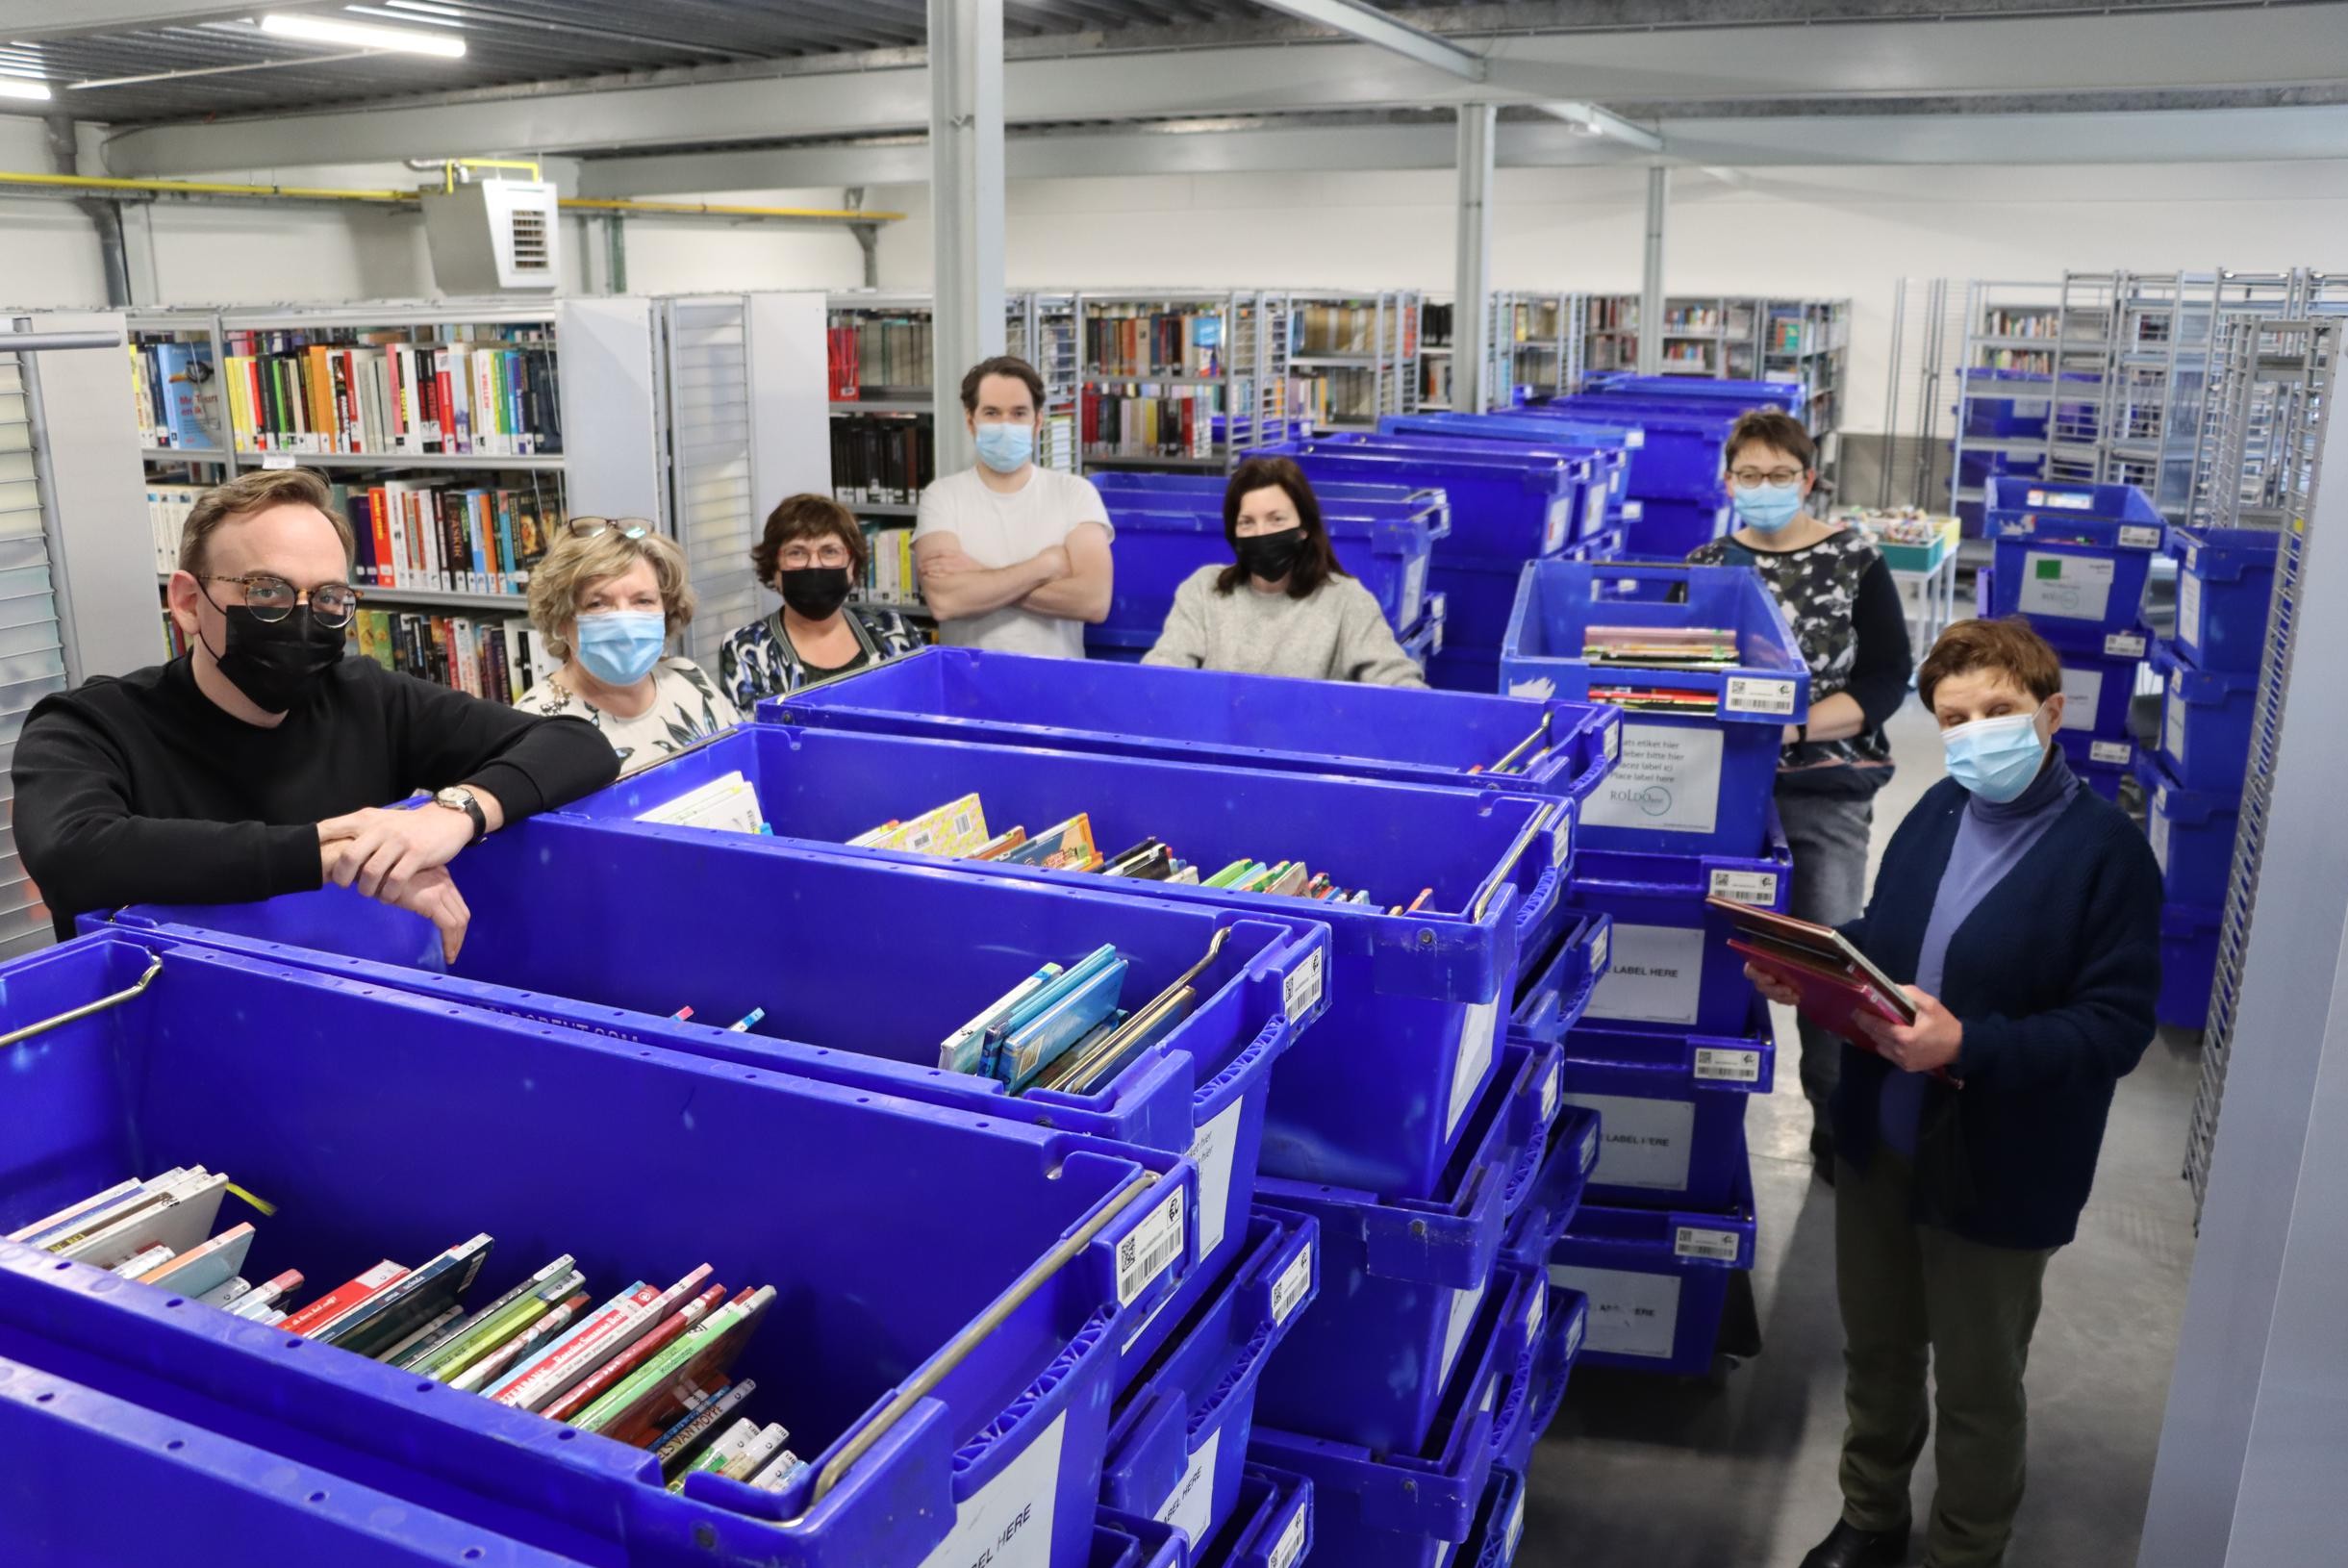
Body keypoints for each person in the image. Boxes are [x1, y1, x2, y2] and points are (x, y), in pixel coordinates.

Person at [1748, 618, 2160, 1568]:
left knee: (1976, 1384)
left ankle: (1964, 1549)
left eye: (1999, 712)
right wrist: (1808, 963)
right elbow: (1885, 936)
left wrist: (1968, 1042)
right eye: (1954, 716)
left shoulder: (2105, 856)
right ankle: (1870, 1514)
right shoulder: (1936, 809)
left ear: (2049, 713)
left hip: (1997, 1163)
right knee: (1879, 1352)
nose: (1975, 733)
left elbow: (2112, 1027)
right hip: (1881, 1137)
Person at [12, 467, 617, 960]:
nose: (304, 620)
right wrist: (325, 857)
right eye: (267, 592)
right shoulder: (91, 724)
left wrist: (454, 813)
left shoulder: (366, 697)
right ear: (191, 603)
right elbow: (74, 854)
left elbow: (575, 745)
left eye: (328, 599)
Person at [1688, 409, 1911, 1178]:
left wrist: (1791, 729)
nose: (1763, 488)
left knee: (1826, 956)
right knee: (1718, 953)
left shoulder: (1854, 556)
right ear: (1726, 481)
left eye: (1780, 476)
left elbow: (1885, 679)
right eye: (1748, 475)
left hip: (1825, 787)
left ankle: (1836, 1121)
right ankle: (1704, 1123)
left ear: (1807, 478)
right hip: (1722, 793)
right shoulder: (1710, 563)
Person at [1143, 455, 1427, 688]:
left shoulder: (1347, 601)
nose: (1261, 532)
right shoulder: (1204, 590)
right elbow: (1162, 672)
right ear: (1233, 532)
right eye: (1247, 523)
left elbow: (1397, 683)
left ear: (1304, 527)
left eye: (1276, 519)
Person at [912, 355, 1113, 658]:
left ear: (1038, 421)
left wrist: (979, 575)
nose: (1005, 425)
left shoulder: (1075, 494)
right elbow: (945, 601)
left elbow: (1094, 601)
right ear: (971, 421)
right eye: (992, 413)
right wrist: (1045, 566)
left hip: (1056, 685)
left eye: (1019, 413)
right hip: (966, 688)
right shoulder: (941, 497)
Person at [513, 518, 742, 775]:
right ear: (562, 619)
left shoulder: (689, 680)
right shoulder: (534, 725)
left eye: (643, 601)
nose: (624, 620)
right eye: (598, 604)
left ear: (666, 609)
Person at [717, 493, 925, 709]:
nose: (814, 565)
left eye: (830, 552)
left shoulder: (893, 630)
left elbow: (927, 708)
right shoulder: (747, 647)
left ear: (852, 564)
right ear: (774, 567)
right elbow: (763, 736)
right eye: (797, 553)